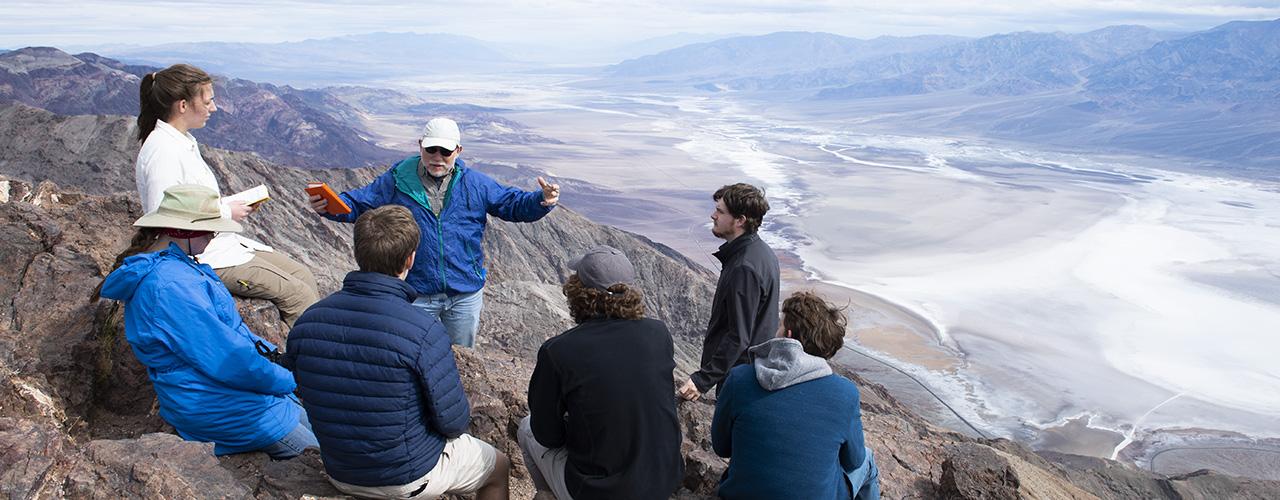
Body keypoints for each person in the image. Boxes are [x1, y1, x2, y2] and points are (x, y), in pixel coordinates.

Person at [284, 205, 510, 500]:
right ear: (410, 258)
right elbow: (453, 422)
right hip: (405, 478)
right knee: (498, 467)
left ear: (358, 253)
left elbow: (305, 390)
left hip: (339, 471)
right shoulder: (422, 330)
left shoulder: (308, 321)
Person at [96, 184, 318, 459]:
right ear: (183, 232)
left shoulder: (176, 267)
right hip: (223, 407)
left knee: (329, 435)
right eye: (211, 229)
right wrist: (288, 380)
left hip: (231, 395)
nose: (214, 236)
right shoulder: (172, 286)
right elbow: (227, 359)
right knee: (326, 456)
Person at [308, 116, 560, 348]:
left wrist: (542, 200)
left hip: (464, 293)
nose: (437, 157)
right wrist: (330, 206)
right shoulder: (398, 179)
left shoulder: (476, 184)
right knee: (411, 351)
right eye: (431, 149)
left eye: (445, 151)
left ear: (458, 151)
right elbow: (361, 202)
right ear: (420, 146)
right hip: (417, 292)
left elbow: (512, 204)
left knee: (462, 358)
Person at [135, 63, 318, 327]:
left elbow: (187, 200)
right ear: (183, 106)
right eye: (208, 101)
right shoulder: (163, 152)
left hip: (219, 245)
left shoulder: (181, 142)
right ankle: (305, 362)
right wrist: (225, 212)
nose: (214, 108)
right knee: (296, 293)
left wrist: (228, 205)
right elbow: (163, 214)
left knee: (303, 275)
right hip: (197, 255)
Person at [518, 245, 684, 500]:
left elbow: (547, 435)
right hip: (664, 479)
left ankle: (552, 495)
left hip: (604, 492)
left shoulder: (559, 350)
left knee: (526, 427)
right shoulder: (658, 333)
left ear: (579, 292)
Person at [711, 291, 880, 500]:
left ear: (788, 335)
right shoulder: (845, 393)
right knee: (868, 459)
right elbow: (854, 461)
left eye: (780, 325)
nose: (775, 330)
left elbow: (721, 447)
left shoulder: (740, 378)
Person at [678, 183, 780, 400]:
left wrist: (702, 380)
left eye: (720, 211)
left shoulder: (744, 266)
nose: (713, 215)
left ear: (740, 220)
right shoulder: (760, 253)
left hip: (740, 380)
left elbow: (739, 336)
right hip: (751, 374)